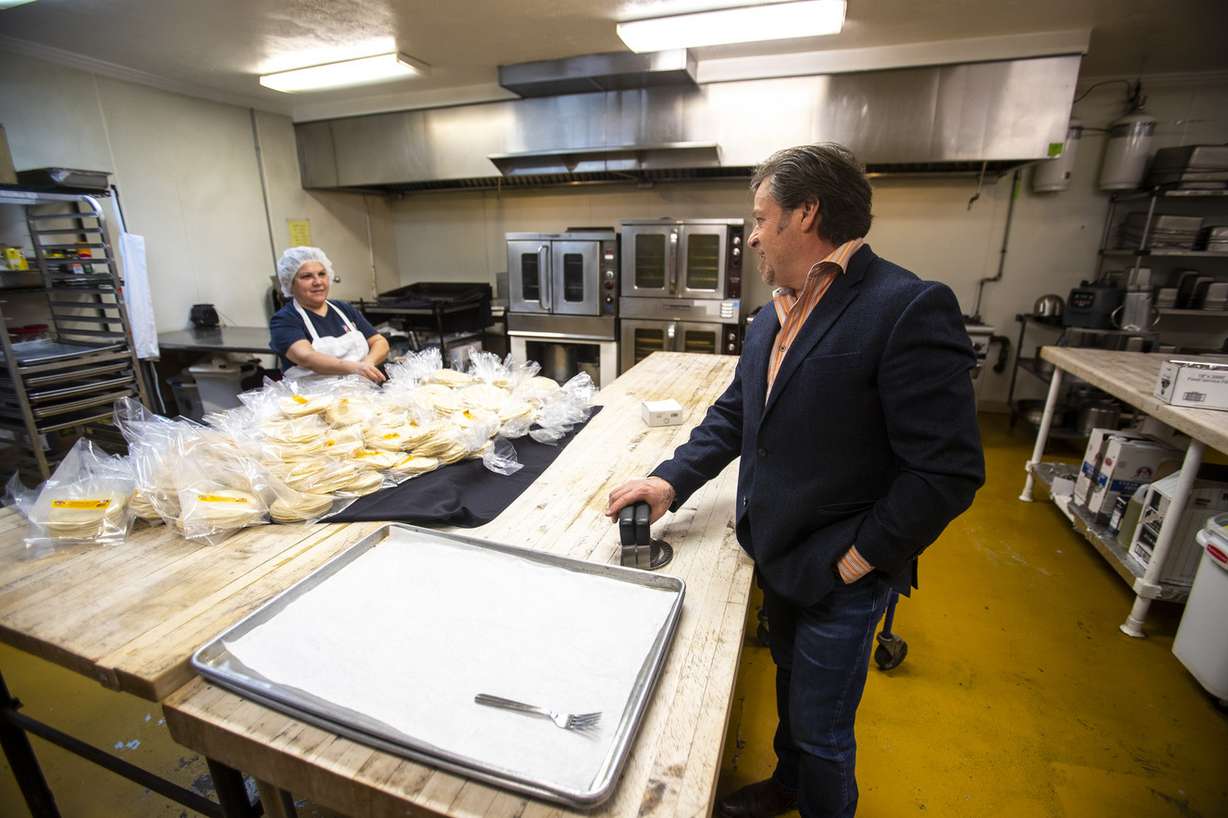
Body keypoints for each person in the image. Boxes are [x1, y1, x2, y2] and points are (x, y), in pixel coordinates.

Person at [605, 144, 984, 818]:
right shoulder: (771, 315)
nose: (751, 235)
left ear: (805, 214)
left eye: (760, 217)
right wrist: (668, 482)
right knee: (788, 686)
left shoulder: (904, 306)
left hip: (840, 569)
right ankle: (787, 784)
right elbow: (735, 416)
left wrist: (854, 561)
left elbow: (947, 471)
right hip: (775, 546)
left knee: (824, 731)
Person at [269, 246, 389, 382]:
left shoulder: (343, 308)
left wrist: (368, 363)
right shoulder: (285, 319)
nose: (318, 282)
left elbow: (379, 341)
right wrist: (356, 368)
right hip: (313, 398)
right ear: (290, 283)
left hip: (361, 393)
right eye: (307, 276)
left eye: (322, 274)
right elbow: (307, 358)